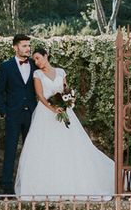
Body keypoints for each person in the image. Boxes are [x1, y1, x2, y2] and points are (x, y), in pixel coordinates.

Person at [14, 46, 115, 198]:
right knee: (47, 148)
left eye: (38, 58)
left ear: (46, 56)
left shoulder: (61, 72)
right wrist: (53, 108)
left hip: (64, 112)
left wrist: (68, 100)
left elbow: (66, 89)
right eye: (34, 59)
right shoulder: (37, 74)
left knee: (72, 146)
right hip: (46, 113)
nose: (36, 62)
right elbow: (40, 95)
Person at [0, 34, 38, 195]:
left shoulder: (35, 65)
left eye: (28, 45)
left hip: (32, 115)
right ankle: (6, 186)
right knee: (10, 150)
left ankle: (31, 184)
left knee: (32, 150)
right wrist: (4, 111)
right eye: (24, 45)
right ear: (15, 47)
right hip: (13, 115)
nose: (28, 48)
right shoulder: (6, 66)